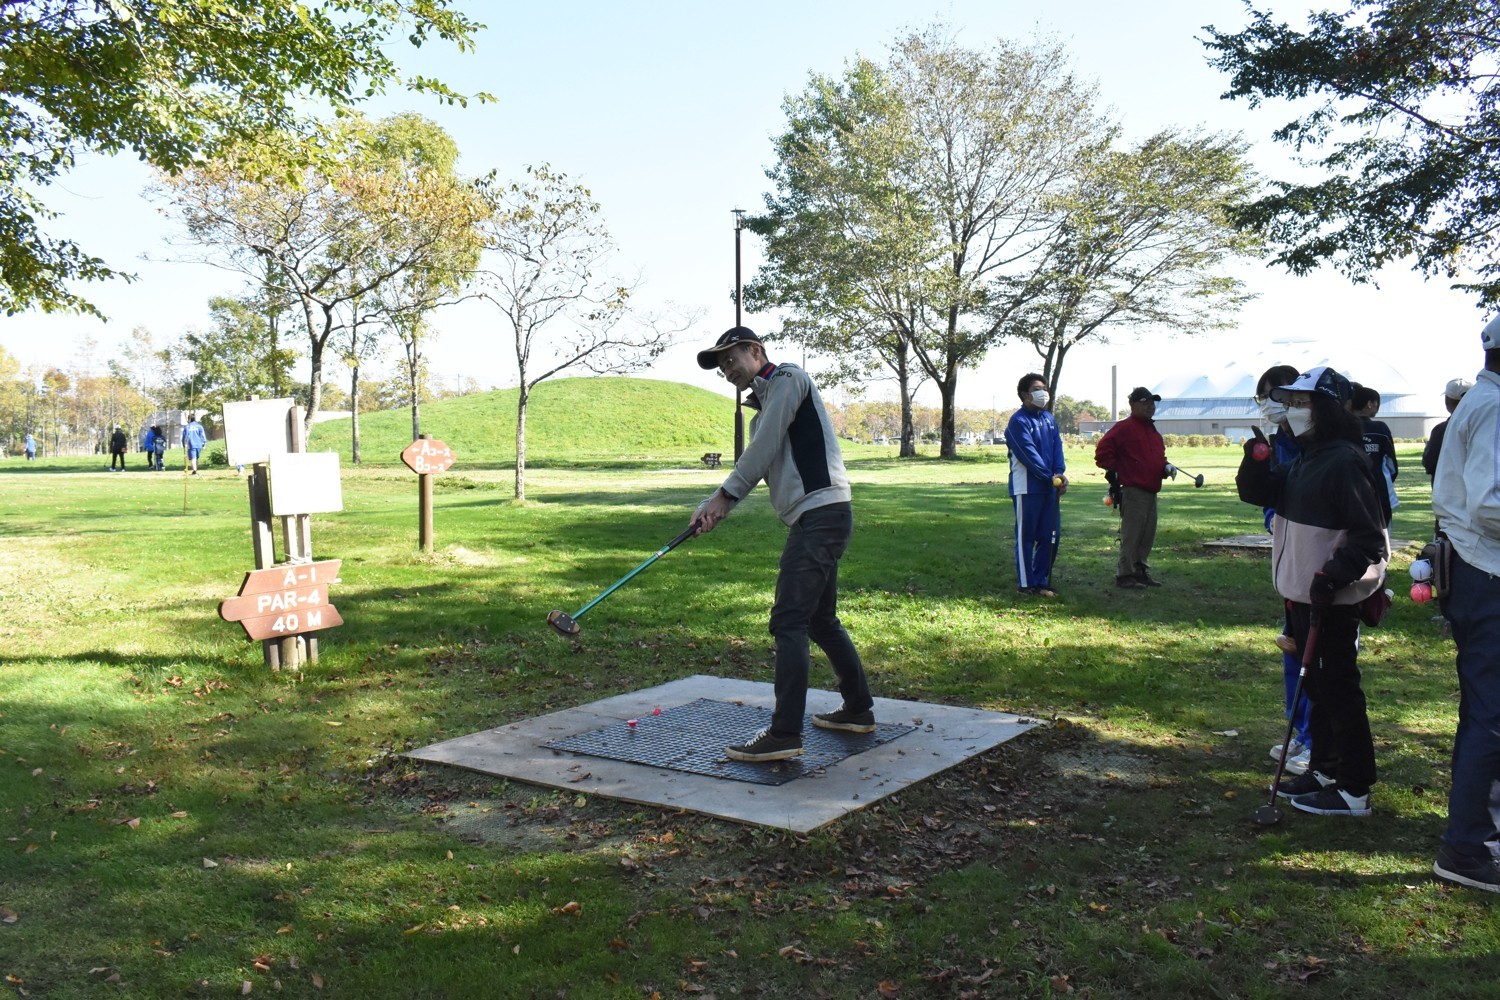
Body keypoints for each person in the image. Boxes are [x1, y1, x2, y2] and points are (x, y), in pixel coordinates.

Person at [690, 327, 876, 763]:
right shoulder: (763, 410)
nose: (728, 371)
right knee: (820, 621)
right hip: (817, 517)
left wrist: (724, 497)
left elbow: (764, 445)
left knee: (789, 620)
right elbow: (763, 452)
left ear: (755, 350)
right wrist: (714, 506)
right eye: (721, 368)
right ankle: (857, 709)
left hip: (821, 516)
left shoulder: (789, 378)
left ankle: (784, 734)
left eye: (731, 359)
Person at [1237, 365, 1389, 817]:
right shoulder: (1307, 457)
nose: (1293, 411)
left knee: (1338, 690)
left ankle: (1354, 789)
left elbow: (1368, 537)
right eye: (1292, 403)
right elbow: (1257, 492)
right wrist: (1256, 459)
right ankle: (1325, 769)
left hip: (1330, 597)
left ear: (1326, 409)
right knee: (1319, 690)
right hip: (1304, 593)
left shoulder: (1343, 460)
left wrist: (1332, 576)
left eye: (1302, 403)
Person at [1430, 317, 1500, 892]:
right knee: (1489, 713)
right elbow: (1490, 505)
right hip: (1486, 571)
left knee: (1486, 709)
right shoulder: (1494, 406)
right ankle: (1466, 845)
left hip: (1475, 568)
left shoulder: (1482, 401)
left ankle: (1476, 829)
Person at [1254, 364, 1314, 777]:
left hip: (1318, 555)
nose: (1267, 406)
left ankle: (1316, 738)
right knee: (1292, 645)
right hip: (1289, 558)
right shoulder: (1276, 442)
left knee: (1317, 652)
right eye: (1261, 398)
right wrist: (1272, 516)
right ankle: (1298, 728)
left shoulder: (1317, 443)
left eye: (1272, 396)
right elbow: (1270, 495)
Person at [1093, 387, 1168, 589]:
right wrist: (1118, 470)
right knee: (1132, 534)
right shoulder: (1124, 428)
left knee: (1147, 534)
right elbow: (1102, 453)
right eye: (1145, 403)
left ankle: (1139, 571)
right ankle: (1125, 574)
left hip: (1151, 489)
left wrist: (1165, 467)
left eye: (1152, 403)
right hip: (1133, 489)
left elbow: (1156, 458)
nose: (1150, 407)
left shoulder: (1152, 431)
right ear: (1133, 405)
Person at [1003, 373, 1068, 597]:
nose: (1043, 393)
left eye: (1044, 389)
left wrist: (1059, 472)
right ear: (1025, 394)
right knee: (1026, 536)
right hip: (1027, 488)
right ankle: (1026, 583)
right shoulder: (1018, 422)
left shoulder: (1049, 419)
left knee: (1050, 536)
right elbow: (1028, 455)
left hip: (1049, 485)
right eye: (1037, 389)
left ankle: (1041, 580)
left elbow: (1057, 448)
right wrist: (1049, 476)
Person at [1351, 384, 1399, 521]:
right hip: (1378, 490)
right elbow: (1391, 464)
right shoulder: (1380, 428)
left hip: (1349, 489)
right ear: (1370, 404)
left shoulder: (1340, 428)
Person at [1422, 378, 1473, 478]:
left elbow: (1430, 463)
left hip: (1447, 484)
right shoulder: (1481, 426)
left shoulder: (1440, 430)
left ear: (1447, 401)